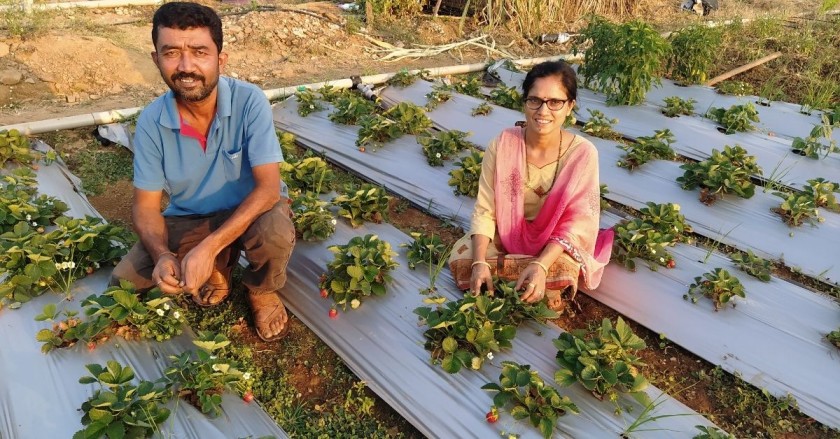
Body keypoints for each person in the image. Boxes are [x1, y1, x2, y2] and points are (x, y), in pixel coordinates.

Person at [110, 2, 295, 342]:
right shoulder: (152, 121)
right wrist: (162, 254)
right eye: (171, 53)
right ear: (156, 60)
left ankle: (262, 290)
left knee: (274, 232)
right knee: (124, 280)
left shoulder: (249, 101)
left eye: (199, 52)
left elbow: (268, 188)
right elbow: (146, 207)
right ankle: (220, 267)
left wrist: (207, 248)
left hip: (252, 210)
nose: (186, 66)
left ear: (220, 60)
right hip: (193, 216)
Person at [448, 60, 613, 312]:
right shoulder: (504, 144)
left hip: (555, 243)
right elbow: (485, 208)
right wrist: (479, 262)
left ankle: (531, 275)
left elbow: (576, 224)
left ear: (570, 107)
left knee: (564, 268)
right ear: (524, 103)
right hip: (508, 232)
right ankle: (525, 279)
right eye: (534, 100)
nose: (543, 111)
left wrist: (542, 265)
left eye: (555, 102)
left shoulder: (582, 154)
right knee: (464, 259)